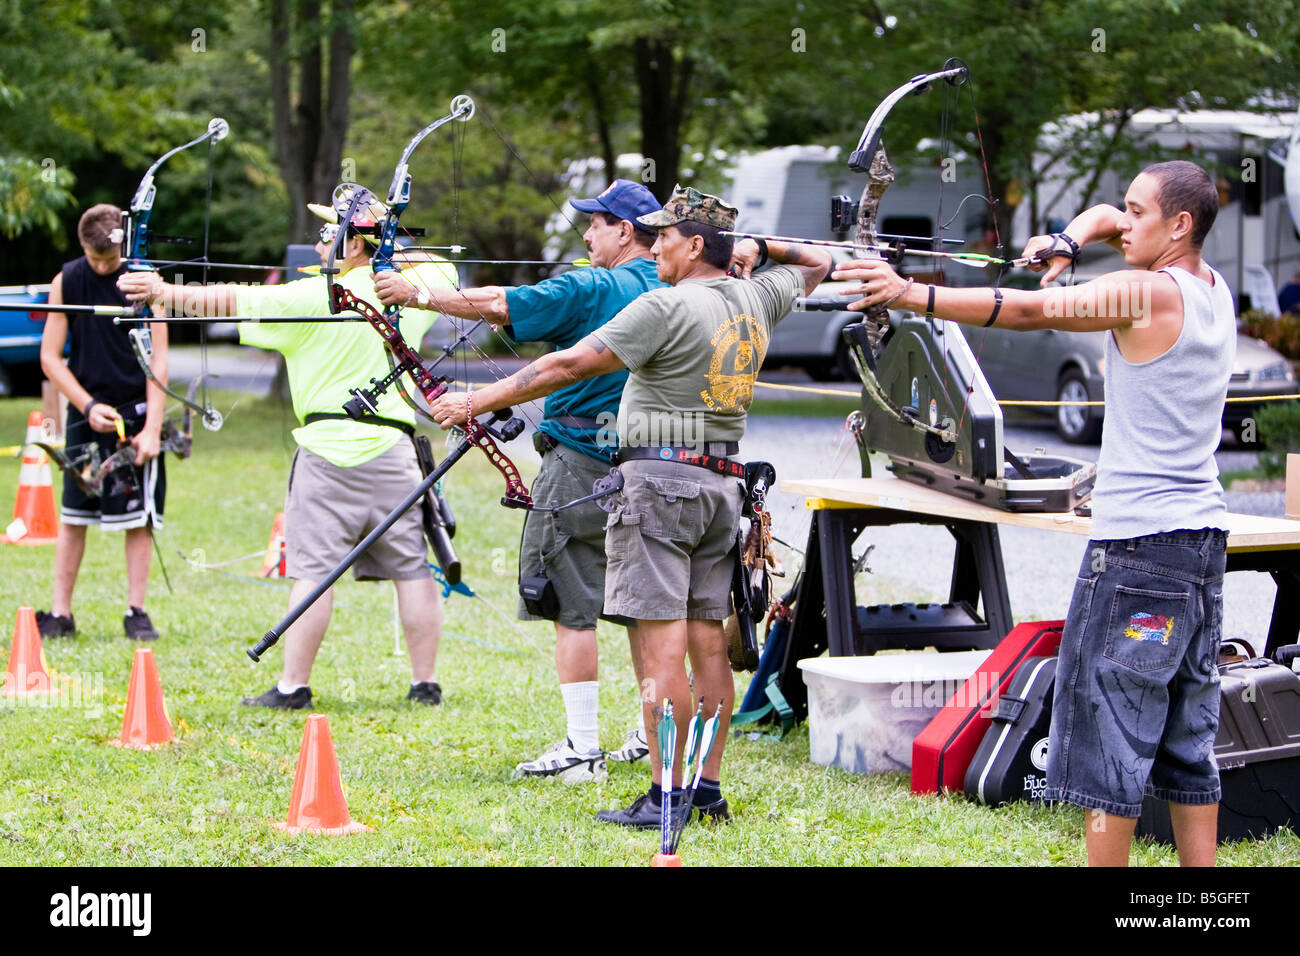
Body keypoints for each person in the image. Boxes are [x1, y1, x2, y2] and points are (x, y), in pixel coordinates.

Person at [835, 160, 1232, 866]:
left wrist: (907, 292)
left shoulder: (1146, 293)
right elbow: (1103, 222)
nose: (1123, 222)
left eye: (1140, 213)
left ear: (1179, 225)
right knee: (1187, 737)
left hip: (1139, 551)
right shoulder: (1212, 288)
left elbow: (1027, 311)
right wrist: (1068, 242)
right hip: (1199, 543)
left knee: (1111, 739)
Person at [426, 185, 831, 826]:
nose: (654, 246)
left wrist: (472, 401)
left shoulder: (664, 305)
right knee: (707, 645)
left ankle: (665, 794)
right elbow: (817, 262)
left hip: (659, 486)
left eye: (664, 236)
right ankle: (706, 791)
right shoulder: (755, 296)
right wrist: (760, 245)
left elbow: (567, 365)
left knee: (663, 646)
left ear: (694, 246)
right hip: (722, 487)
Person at [374, 179, 665, 782]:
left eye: (596, 224)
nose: (587, 235)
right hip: (650, 464)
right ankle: (650, 734)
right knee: (642, 605)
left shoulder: (593, 286)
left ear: (625, 231)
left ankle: (582, 748)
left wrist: (414, 293)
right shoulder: (676, 288)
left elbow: (503, 302)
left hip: (581, 463)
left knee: (567, 603)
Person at [119, 192, 454, 708]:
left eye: (329, 234)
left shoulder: (312, 296)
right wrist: (386, 247)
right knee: (411, 569)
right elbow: (444, 268)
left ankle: (293, 686)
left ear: (353, 244)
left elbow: (232, 300)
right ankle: (424, 685)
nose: (319, 244)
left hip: (326, 457)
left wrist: (163, 291)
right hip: (393, 453)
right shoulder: (405, 293)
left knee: (313, 574)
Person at [37, 203, 167, 642]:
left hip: (136, 412)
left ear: (123, 247)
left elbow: (159, 359)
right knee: (73, 515)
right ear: (83, 247)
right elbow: (50, 357)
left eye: (109, 260)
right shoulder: (67, 279)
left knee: (138, 518)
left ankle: (136, 611)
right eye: (95, 260)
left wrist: (152, 429)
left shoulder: (145, 281)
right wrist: (87, 404)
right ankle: (61, 614)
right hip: (86, 411)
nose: (102, 267)